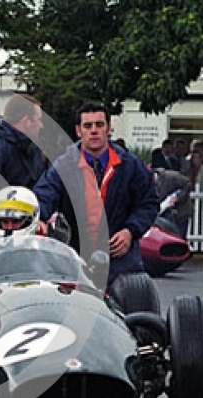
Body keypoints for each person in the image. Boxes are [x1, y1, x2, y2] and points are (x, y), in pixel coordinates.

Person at [33, 102, 159, 285]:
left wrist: (130, 231)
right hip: (75, 263)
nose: (94, 131)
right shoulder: (63, 167)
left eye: (99, 125)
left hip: (122, 265)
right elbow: (44, 195)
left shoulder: (130, 166)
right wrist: (39, 218)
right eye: (87, 126)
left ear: (109, 128)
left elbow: (148, 203)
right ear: (78, 130)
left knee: (134, 308)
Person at [153, 167, 193, 239]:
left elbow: (188, 184)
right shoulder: (153, 185)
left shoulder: (171, 176)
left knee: (180, 236)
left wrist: (178, 197)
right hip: (168, 212)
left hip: (182, 211)